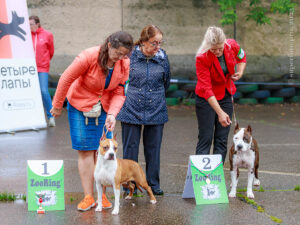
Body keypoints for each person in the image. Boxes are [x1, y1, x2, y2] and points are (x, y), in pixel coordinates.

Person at [50, 31, 133, 211]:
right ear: (109, 45)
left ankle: (102, 196)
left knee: (102, 151)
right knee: (86, 151)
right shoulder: (88, 56)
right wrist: (57, 105)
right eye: (118, 53)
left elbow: (120, 91)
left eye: (124, 55)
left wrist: (112, 114)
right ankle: (88, 197)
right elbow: (66, 78)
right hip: (80, 105)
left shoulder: (124, 63)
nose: (121, 58)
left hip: (104, 107)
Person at [117, 25, 170, 196]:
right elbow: (121, 79)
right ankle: (129, 184)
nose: (158, 47)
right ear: (144, 41)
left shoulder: (162, 58)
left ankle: (153, 184)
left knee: (153, 148)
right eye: (154, 43)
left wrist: (155, 97)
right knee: (130, 148)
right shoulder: (130, 56)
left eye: (160, 43)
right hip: (131, 107)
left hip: (156, 109)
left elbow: (166, 82)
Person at [195, 26, 246, 163]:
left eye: (220, 48)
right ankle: (201, 179)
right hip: (206, 99)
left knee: (222, 139)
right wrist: (220, 113)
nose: (217, 52)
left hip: (225, 95)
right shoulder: (202, 58)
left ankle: (216, 178)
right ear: (207, 45)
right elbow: (207, 89)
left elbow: (242, 56)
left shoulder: (231, 45)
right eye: (213, 49)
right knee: (206, 138)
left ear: (224, 43)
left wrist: (240, 72)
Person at [29, 16, 55, 127]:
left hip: (42, 68)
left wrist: (45, 61)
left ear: (37, 24)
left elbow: (51, 51)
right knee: (31, 92)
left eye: (31, 24)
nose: (29, 26)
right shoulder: (27, 35)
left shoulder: (47, 35)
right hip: (29, 68)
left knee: (44, 91)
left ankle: (51, 117)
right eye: (28, 24)